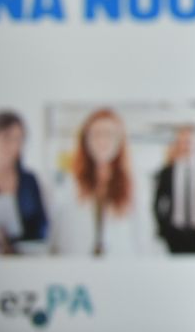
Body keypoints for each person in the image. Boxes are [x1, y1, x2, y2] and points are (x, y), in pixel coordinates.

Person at [50, 107, 146, 256]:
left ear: (119, 141)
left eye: (109, 134)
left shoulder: (134, 182)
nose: (102, 140)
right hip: (79, 262)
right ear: (85, 140)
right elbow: (61, 233)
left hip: (120, 262)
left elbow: (142, 234)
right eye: (96, 134)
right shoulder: (71, 181)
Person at [153, 125, 195, 253]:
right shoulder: (167, 172)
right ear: (177, 144)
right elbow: (157, 203)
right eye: (182, 142)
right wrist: (163, 228)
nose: (186, 145)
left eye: (189, 141)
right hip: (175, 232)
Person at [0, 110, 48, 253]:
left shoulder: (29, 181)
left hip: (24, 256)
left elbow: (42, 226)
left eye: (19, 139)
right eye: (8, 137)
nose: (14, 145)